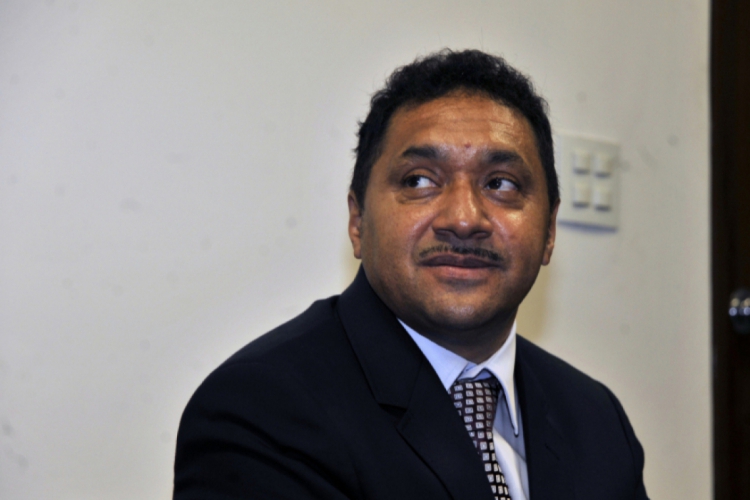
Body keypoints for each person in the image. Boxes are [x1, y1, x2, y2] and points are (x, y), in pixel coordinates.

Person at [173, 49, 649, 500]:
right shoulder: (261, 409)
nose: (464, 218)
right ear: (358, 222)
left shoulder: (597, 420)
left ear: (549, 231)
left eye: (500, 184)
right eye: (419, 180)